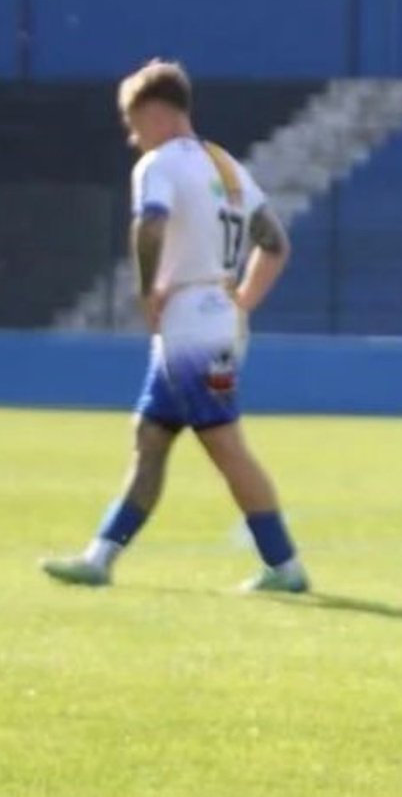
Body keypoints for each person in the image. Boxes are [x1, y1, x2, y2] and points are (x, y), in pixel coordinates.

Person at [40, 59, 308, 594]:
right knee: (151, 437)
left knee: (225, 445)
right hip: (216, 317)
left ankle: (286, 565)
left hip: (188, 323)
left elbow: (152, 221)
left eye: (133, 121)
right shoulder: (227, 167)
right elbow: (275, 243)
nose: (131, 135)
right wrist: (242, 304)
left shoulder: (159, 164)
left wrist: (146, 290)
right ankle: (99, 558)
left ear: (156, 113)